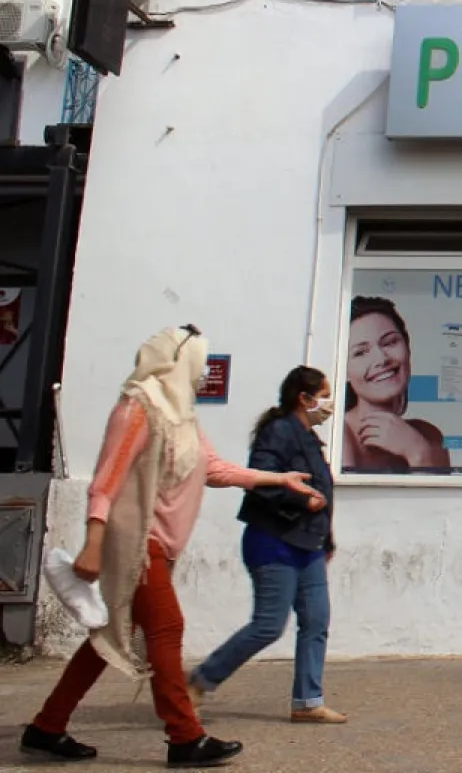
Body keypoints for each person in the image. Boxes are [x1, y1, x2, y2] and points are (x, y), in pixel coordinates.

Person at [19, 326, 322, 767]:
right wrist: (93, 542)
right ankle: (184, 736)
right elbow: (107, 479)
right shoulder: (139, 407)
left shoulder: (181, 416)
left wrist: (281, 480)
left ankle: (46, 727)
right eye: (197, 362)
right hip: (137, 543)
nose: (201, 373)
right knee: (166, 629)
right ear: (179, 361)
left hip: (159, 545)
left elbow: (214, 469)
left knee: (108, 639)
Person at [189, 366, 344, 724]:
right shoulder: (279, 432)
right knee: (268, 625)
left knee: (316, 619)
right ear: (303, 399)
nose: (328, 403)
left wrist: (327, 539)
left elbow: (324, 492)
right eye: (323, 394)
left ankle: (307, 701)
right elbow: (262, 479)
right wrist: (301, 503)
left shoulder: (310, 438)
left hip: (310, 545)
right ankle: (200, 681)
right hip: (274, 541)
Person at [342, 296, 450, 474]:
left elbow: (441, 502)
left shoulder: (429, 435)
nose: (382, 359)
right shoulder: (339, 435)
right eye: (360, 352)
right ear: (343, 369)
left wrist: (418, 452)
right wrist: (418, 455)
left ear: (408, 347)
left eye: (390, 342)